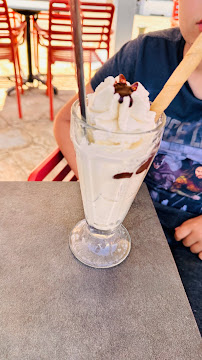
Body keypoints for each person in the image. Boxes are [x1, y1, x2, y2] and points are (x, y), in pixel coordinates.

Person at [54, 0, 202, 332]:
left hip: (192, 240)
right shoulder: (144, 55)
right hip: (131, 218)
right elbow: (69, 120)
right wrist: (98, 183)